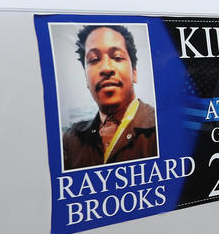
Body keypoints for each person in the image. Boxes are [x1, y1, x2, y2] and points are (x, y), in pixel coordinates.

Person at [62, 24, 158, 170]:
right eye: (94, 60)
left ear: (134, 73)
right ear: (86, 79)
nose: (106, 68)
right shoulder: (70, 140)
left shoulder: (162, 129)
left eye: (117, 57)